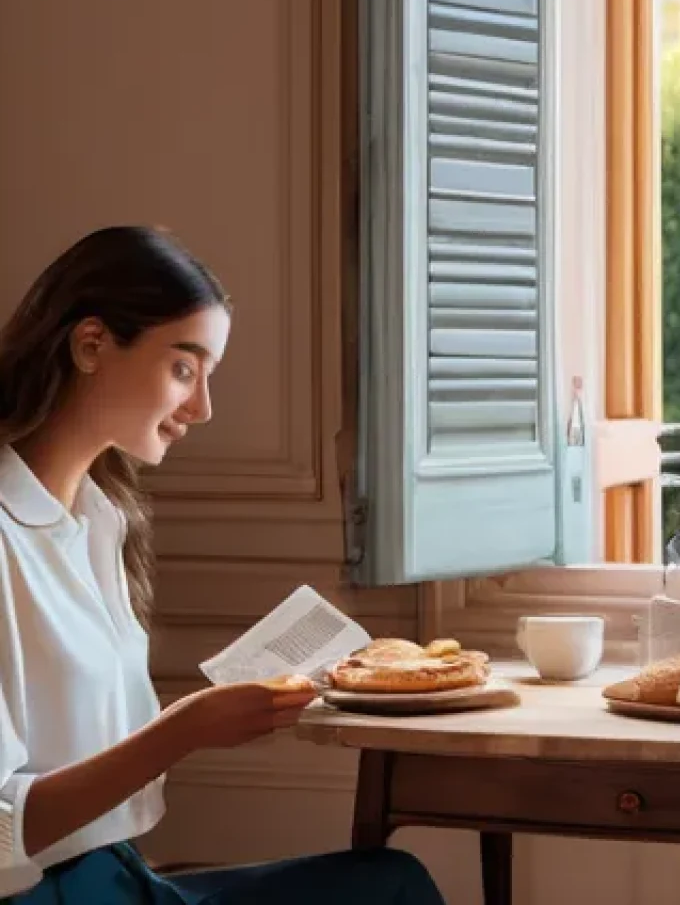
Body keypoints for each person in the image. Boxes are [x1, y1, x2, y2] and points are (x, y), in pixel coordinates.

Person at [0, 227, 446, 904]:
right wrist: (183, 731)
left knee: (392, 881)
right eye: (184, 368)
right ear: (91, 345)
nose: (202, 408)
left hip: (121, 877)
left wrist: (201, 720)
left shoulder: (99, 519)